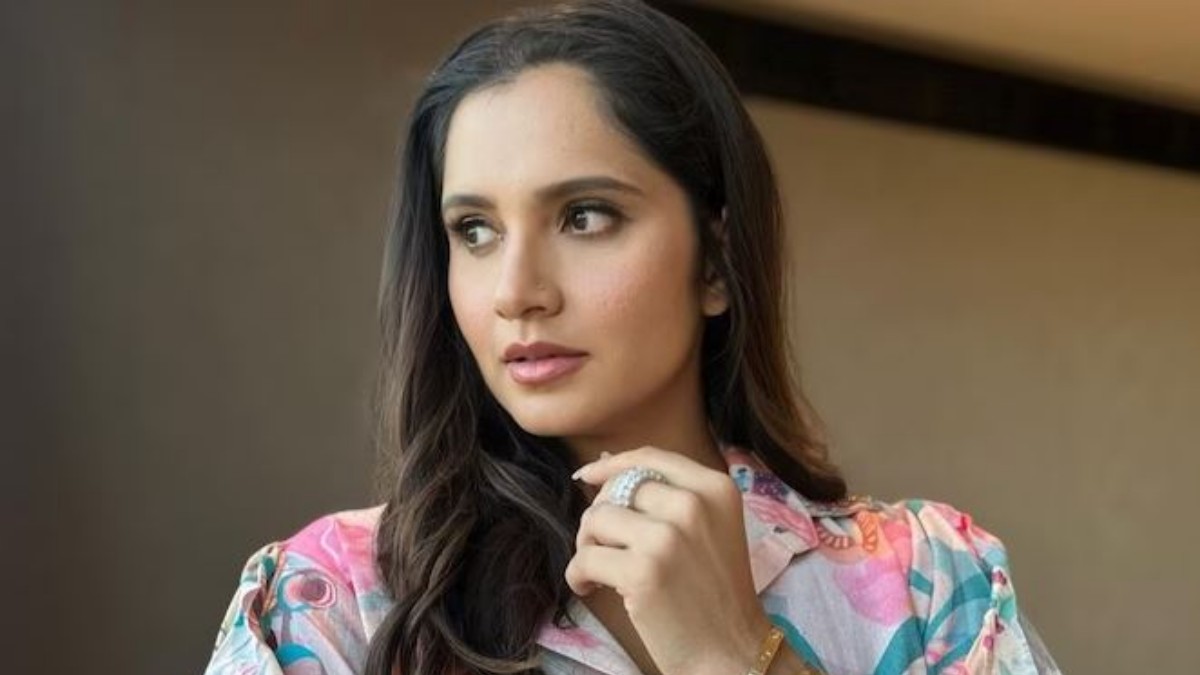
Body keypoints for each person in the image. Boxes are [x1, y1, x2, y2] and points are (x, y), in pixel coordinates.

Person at [203, 1, 1061, 673]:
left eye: (584, 216)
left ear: (716, 261)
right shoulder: (331, 601)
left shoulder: (931, 583)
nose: (516, 292)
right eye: (475, 230)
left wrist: (738, 654)